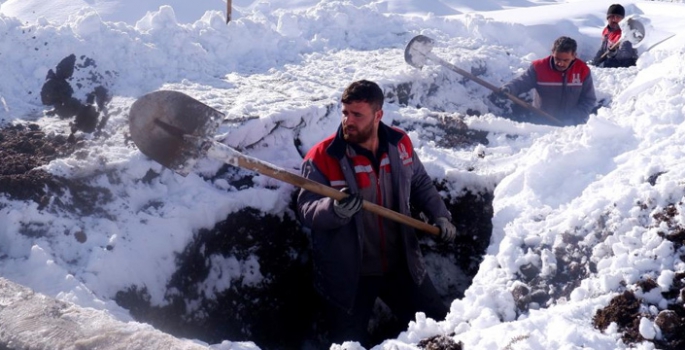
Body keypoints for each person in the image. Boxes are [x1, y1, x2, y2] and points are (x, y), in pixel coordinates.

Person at [297, 80, 458, 347]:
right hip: (350, 276)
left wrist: (440, 215)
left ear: (378, 115)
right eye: (345, 112)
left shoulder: (400, 144)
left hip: (401, 265)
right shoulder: (323, 157)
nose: (348, 120)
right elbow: (305, 208)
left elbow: (419, 182)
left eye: (357, 114)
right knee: (348, 345)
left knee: (440, 330)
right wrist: (334, 209)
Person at [498, 36, 597, 126]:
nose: (560, 63)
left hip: (570, 127)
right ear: (552, 52)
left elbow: (588, 100)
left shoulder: (582, 70)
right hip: (541, 124)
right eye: (557, 58)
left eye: (565, 60)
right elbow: (522, 82)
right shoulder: (539, 67)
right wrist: (509, 88)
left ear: (574, 55)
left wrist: (574, 119)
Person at [590, 4, 638, 68]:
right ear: (607, 18)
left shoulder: (625, 33)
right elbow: (602, 49)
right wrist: (596, 60)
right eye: (611, 17)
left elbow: (626, 54)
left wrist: (614, 53)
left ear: (622, 20)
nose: (614, 19)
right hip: (610, 59)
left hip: (625, 63)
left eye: (617, 17)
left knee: (606, 64)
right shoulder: (606, 31)